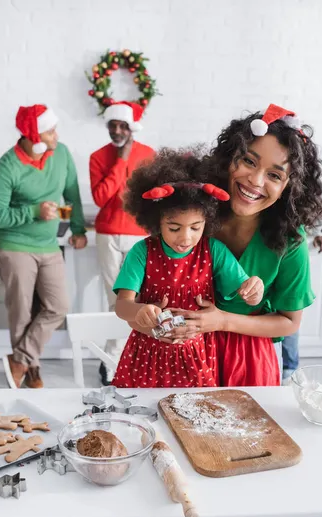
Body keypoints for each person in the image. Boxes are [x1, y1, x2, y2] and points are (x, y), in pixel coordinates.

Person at [159, 104, 322, 386]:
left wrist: (222, 321)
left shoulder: (289, 239)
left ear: (290, 187)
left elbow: (289, 321)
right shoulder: (191, 211)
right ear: (229, 158)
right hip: (181, 352)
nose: (255, 180)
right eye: (249, 161)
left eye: (274, 175)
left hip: (247, 362)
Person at [111, 150, 265, 388]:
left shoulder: (213, 250)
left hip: (197, 357)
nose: (185, 237)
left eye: (196, 227)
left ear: (208, 221)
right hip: (146, 357)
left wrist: (255, 289)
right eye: (174, 228)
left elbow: (249, 296)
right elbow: (122, 306)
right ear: (156, 221)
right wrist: (139, 311)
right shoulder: (142, 252)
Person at [0, 104, 87, 389]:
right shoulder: (5, 168)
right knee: (21, 312)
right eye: (50, 130)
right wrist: (33, 212)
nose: (56, 135)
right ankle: (31, 368)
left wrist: (78, 228)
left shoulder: (61, 154)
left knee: (58, 306)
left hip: (48, 244)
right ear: (34, 136)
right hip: (15, 245)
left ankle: (20, 359)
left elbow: (72, 195)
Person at [89, 101, 155, 386]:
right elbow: (101, 198)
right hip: (108, 235)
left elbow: (152, 197)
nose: (116, 130)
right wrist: (121, 161)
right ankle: (111, 362)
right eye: (112, 125)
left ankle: (118, 359)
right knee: (114, 301)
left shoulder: (149, 155)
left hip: (140, 235)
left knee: (135, 301)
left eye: (122, 125)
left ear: (131, 127)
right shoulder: (98, 157)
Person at [281, 227, 322, 384]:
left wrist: (319, 236)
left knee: (288, 321)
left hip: (292, 256)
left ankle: (289, 372)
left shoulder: (297, 236)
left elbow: (315, 225)